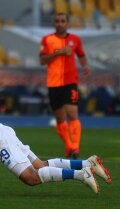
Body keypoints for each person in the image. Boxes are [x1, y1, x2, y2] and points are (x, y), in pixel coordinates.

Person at [39, 13, 91, 159]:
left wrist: (85, 65)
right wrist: (59, 52)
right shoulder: (47, 39)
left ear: (67, 23)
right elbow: (43, 60)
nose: (60, 23)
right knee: (60, 119)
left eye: (63, 21)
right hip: (54, 84)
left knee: (73, 113)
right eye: (57, 21)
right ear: (54, 23)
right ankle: (69, 147)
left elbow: (81, 54)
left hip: (70, 82)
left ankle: (75, 147)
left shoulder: (75, 39)